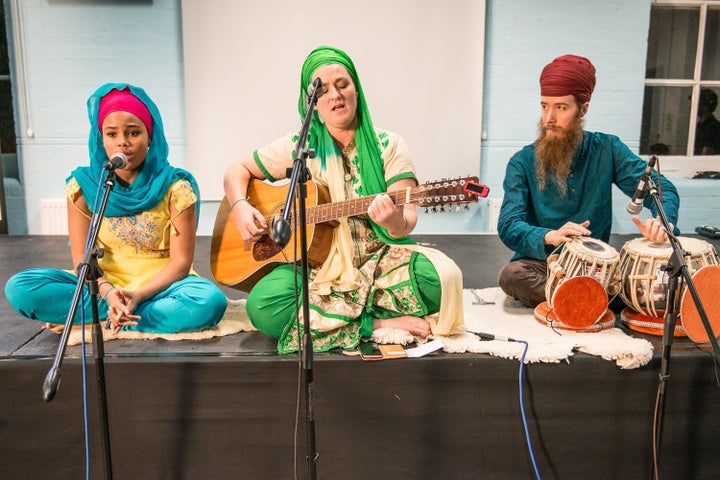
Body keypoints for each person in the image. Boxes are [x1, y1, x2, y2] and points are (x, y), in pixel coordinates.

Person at [223, 46, 464, 353]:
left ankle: (340, 319)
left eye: (343, 85)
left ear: (357, 91)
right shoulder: (300, 146)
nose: (335, 95)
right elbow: (236, 170)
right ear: (311, 102)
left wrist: (391, 219)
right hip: (314, 268)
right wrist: (241, 206)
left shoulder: (388, 145)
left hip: (378, 261)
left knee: (442, 279)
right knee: (262, 306)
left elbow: (407, 221)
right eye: (322, 90)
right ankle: (376, 324)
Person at [5, 83, 227, 334]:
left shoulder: (176, 187)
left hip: (162, 286)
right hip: (102, 286)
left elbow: (181, 263)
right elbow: (81, 261)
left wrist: (138, 294)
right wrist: (108, 291)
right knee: (20, 287)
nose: (123, 143)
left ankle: (105, 318)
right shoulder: (84, 186)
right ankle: (123, 314)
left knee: (209, 303)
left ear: (150, 136)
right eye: (112, 134)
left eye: (133, 133)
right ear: (101, 139)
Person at [497, 54, 680, 308]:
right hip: (545, 264)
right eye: (544, 106)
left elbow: (662, 189)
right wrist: (551, 235)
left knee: (660, 278)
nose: (549, 117)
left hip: (597, 267)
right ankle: (594, 300)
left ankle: (575, 300)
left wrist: (663, 223)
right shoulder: (522, 161)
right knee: (512, 276)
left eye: (561, 107)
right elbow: (509, 225)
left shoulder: (608, 149)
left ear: (583, 108)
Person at [694, 88, 720, 155]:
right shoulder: (700, 125)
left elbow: (707, 152)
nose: (691, 107)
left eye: (696, 104)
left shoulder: (713, 127)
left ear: (704, 107)